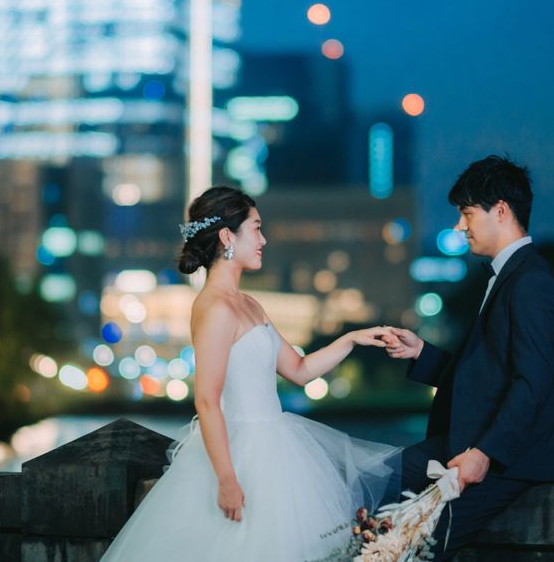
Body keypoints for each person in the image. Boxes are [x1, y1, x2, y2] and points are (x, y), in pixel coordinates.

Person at [100, 186, 401, 562]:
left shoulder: (248, 304)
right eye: (256, 228)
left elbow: (299, 370)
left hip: (277, 446)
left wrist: (351, 339)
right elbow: (207, 400)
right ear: (228, 236)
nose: (263, 239)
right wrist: (227, 479)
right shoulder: (215, 307)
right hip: (242, 454)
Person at [383, 155, 554, 559]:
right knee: (374, 487)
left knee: (411, 543)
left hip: (506, 459)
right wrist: (421, 352)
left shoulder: (530, 281)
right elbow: (485, 376)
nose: (460, 226)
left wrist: (484, 454)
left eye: (467, 213)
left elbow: (533, 382)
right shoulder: (508, 276)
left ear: (501, 211)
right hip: (468, 441)